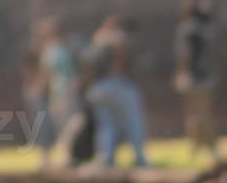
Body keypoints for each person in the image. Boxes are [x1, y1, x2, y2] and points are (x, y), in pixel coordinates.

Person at [83, 16, 149, 168]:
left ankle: (106, 158)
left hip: (97, 88)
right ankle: (140, 158)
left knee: (106, 125)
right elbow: (120, 56)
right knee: (133, 121)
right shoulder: (116, 38)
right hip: (117, 83)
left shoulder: (97, 38)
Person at [173, 0, 220, 161]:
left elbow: (185, 55)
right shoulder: (206, 28)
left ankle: (205, 147)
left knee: (195, 115)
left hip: (193, 77)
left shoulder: (188, 29)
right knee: (203, 113)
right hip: (206, 77)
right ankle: (201, 147)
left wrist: (181, 74)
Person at [37, 18, 82, 168]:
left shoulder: (62, 48)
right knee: (65, 123)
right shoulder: (53, 50)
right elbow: (48, 74)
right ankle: (63, 156)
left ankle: (67, 154)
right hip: (60, 90)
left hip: (66, 89)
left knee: (71, 122)